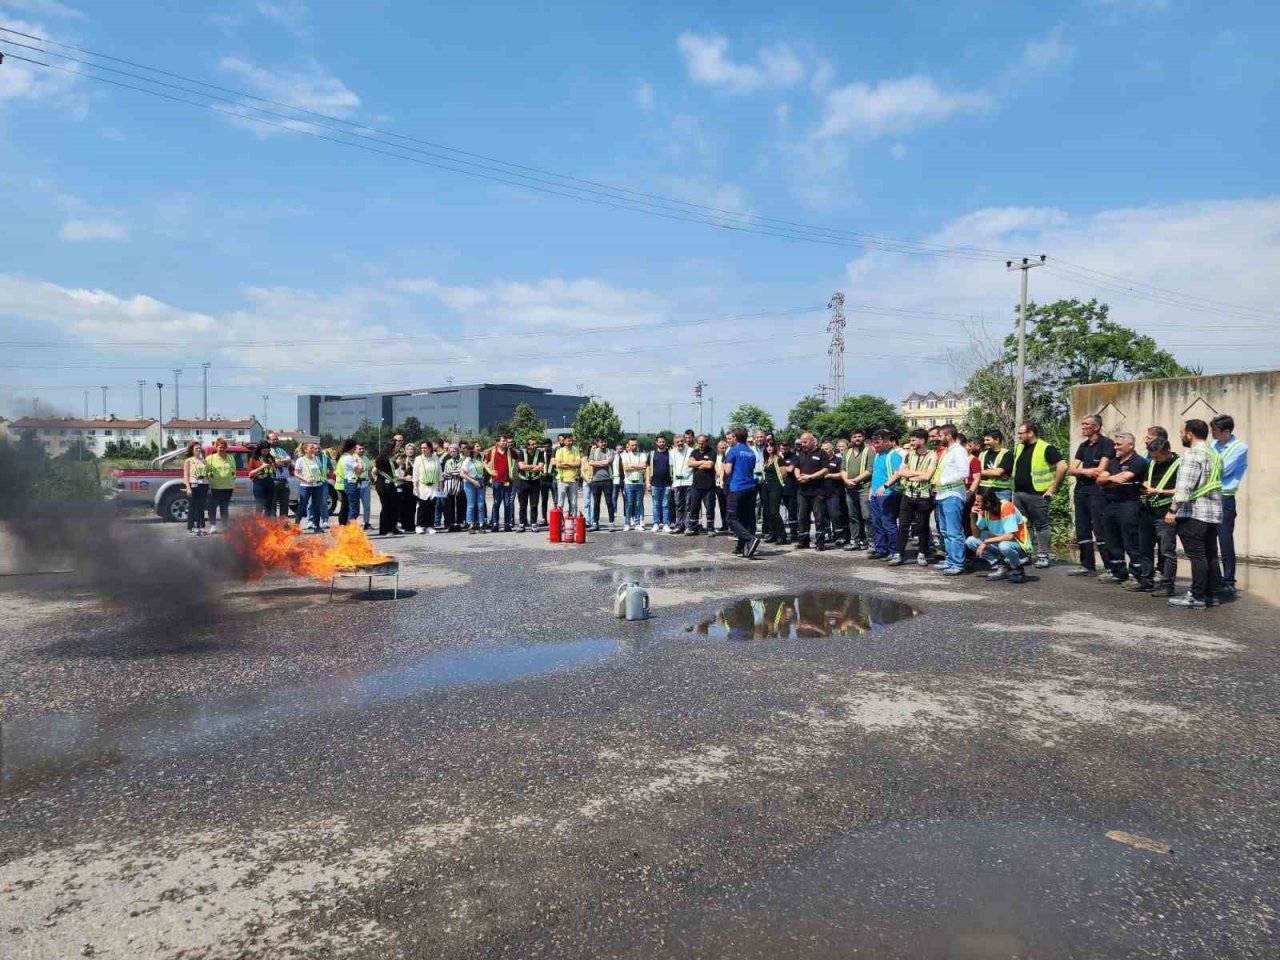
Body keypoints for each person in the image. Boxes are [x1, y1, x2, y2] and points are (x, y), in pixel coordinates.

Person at [1165, 420, 1224, 609]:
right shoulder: (1214, 454)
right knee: (1210, 555)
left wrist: (1172, 510)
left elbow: (1184, 487)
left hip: (1194, 513)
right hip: (1212, 512)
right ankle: (1211, 595)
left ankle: (1196, 597)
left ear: (1189, 434)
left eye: (1182, 432)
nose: (1181, 435)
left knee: (1197, 556)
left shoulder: (1192, 455)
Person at [1011, 421, 1067, 569]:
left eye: (1021, 433)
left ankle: (1043, 555)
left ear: (1031, 433)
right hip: (1019, 493)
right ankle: (1026, 553)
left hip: (1037, 494)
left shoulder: (1045, 448)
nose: (1019, 436)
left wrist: (1052, 488)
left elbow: (1063, 466)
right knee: (1023, 524)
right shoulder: (1019, 448)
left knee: (1041, 525)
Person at [1096, 432, 1148, 586]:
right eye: (1115, 444)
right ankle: (1118, 572)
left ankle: (1137, 575)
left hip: (1129, 504)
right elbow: (1100, 479)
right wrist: (1111, 478)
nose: (1115, 447)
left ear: (1130, 445)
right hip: (1111, 504)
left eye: (1119, 444)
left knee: (1131, 540)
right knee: (1112, 539)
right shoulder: (1113, 462)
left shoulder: (1139, 462)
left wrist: (1109, 479)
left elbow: (1124, 478)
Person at [1067, 415, 1116, 577]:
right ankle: (1087, 565)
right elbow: (1071, 469)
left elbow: (1100, 470)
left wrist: (1082, 471)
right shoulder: (1084, 445)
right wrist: (1085, 471)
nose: (1083, 427)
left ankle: (1111, 567)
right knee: (1082, 529)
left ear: (1096, 427)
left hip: (1098, 493)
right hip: (1081, 492)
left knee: (1100, 529)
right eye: (1082, 423)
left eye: (1086, 424)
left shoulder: (1106, 444)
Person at [1210, 414, 1248, 596]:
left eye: (1215, 430)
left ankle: (1229, 579)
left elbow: (1222, 470)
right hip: (1208, 496)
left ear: (1226, 431)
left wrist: (1206, 466)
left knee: (1224, 540)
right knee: (1207, 539)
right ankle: (1214, 578)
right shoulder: (1212, 445)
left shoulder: (1239, 447)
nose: (1212, 434)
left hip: (1224, 497)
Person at [888, 429, 937, 566]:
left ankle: (922, 553)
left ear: (922, 440)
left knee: (922, 526)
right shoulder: (909, 455)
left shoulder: (932, 455)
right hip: (908, 495)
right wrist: (916, 473)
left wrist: (909, 474)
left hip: (924, 497)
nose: (911, 443)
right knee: (903, 525)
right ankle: (898, 554)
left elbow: (927, 477)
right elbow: (901, 471)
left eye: (913, 440)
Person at [1139, 437, 1180, 597]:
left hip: (1165, 511)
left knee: (1167, 550)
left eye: (1158, 457)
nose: (1155, 459)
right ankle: (1146, 580)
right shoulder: (1151, 462)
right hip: (1148, 510)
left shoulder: (1179, 464)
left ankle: (1168, 585)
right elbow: (1147, 480)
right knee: (1145, 548)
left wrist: (1159, 491)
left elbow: (1183, 489)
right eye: (1153, 457)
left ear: (1168, 452)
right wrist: (1146, 487)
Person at [966, 489, 1033, 584]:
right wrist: (972, 516)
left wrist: (986, 542)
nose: (975, 504)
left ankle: (1017, 569)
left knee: (1004, 546)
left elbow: (1010, 536)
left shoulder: (1006, 507)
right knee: (971, 541)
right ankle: (1001, 566)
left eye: (978, 501)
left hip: (1018, 545)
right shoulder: (985, 510)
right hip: (999, 542)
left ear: (988, 503)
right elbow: (976, 534)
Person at [931, 425, 972, 576]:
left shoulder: (959, 451)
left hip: (953, 495)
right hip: (942, 495)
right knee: (945, 531)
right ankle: (950, 560)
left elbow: (963, 473)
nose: (938, 438)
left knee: (954, 532)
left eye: (940, 435)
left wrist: (943, 481)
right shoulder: (948, 451)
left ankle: (957, 563)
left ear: (948, 435)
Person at [722, 427, 761, 558]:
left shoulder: (733, 451)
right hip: (750, 488)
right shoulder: (751, 452)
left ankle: (750, 538)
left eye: (731, 437)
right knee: (744, 519)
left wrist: (723, 463)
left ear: (736, 438)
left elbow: (727, 471)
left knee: (731, 519)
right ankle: (741, 547)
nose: (730, 440)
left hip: (737, 487)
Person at [867, 430, 903, 560]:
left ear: (887, 441)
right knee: (877, 522)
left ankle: (894, 551)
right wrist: (872, 489)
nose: (875, 445)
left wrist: (885, 486)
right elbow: (876, 475)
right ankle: (881, 549)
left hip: (888, 494)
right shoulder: (877, 455)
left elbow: (897, 473)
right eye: (874, 442)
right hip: (876, 495)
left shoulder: (894, 455)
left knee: (888, 523)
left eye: (878, 442)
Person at [792, 432, 828, 551]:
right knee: (802, 517)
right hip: (803, 491)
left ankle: (820, 542)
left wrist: (810, 477)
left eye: (805, 442)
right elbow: (796, 467)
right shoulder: (801, 453)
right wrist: (798, 476)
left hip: (817, 491)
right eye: (802, 442)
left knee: (819, 518)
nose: (803, 444)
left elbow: (825, 470)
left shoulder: (821, 453)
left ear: (812, 441)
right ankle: (803, 541)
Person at [842, 430, 873, 551]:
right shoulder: (847, 452)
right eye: (855, 437)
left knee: (867, 516)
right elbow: (843, 469)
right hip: (849, 488)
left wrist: (854, 480)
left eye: (859, 436)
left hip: (863, 488)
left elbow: (870, 470)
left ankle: (871, 542)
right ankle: (856, 541)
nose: (857, 439)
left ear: (864, 437)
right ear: (851, 439)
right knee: (853, 516)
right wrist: (846, 480)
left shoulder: (869, 450)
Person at [485, 435, 516, 532]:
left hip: (507, 481)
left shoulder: (510, 451)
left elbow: (518, 457)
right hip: (496, 481)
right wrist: (490, 471)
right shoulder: (492, 452)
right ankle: (495, 523)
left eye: (506, 441)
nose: (505, 442)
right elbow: (485, 462)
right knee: (496, 502)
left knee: (507, 503)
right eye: (503, 441)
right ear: (498, 442)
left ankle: (507, 524)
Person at [294, 441, 327, 534]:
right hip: (305, 486)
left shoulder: (316, 458)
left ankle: (317, 526)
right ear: (305, 450)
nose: (313, 449)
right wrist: (305, 479)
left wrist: (321, 477)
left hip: (317, 486)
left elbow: (320, 471)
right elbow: (296, 473)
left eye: (314, 448)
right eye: (311, 448)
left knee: (317, 506)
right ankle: (296, 526)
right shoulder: (300, 460)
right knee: (302, 506)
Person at [204, 436, 236, 532]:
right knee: (212, 507)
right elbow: (205, 472)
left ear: (226, 448)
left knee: (224, 508)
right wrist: (209, 479)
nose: (222, 449)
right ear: (216, 447)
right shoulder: (210, 458)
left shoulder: (231, 458)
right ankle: (213, 526)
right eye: (220, 447)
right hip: (214, 487)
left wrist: (232, 480)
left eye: (223, 447)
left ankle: (225, 526)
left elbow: (234, 470)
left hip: (227, 487)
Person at [971, 431, 1013, 503]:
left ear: (997, 440)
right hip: (982, 491)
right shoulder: (982, 454)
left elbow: (997, 473)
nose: (985, 443)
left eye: (988, 440)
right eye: (984, 440)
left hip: (1001, 492)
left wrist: (980, 472)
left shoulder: (1007, 454)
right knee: (983, 514)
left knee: (1002, 513)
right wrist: (990, 472)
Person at [687, 434, 717, 536]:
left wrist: (697, 463)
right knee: (694, 508)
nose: (700, 445)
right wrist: (702, 462)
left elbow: (710, 465)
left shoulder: (712, 452)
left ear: (707, 442)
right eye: (699, 443)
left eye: (702, 443)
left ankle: (710, 528)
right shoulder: (694, 452)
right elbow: (689, 463)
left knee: (710, 508)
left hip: (709, 486)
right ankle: (693, 528)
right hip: (696, 486)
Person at [760, 440, 788, 544]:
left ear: (775, 447)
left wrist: (778, 483)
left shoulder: (779, 459)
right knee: (768, 512)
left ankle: (782, 536)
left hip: (775, 486)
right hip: (765, 486)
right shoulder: (766, 459)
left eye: (771, 446)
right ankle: (773, 534)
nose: (769, 448)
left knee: (774, 511)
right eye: (767, 446)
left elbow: (784, 474)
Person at [515, 437, 545, 532]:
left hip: (535, 481)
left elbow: (540, 468)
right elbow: (521, 466)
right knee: (522, 504)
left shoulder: (539, 453)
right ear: (527, 446)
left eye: (535, 444)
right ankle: (522, 524)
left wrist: (528, 467)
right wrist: (533, 466)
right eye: (532, 444)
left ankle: (533, 523)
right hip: (523, 481)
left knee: (534, 504)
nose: (535, 446)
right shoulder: (522, 453)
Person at [587, 436, 616, 531]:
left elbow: (608, 461)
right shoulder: (593, 451)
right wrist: (602, 463)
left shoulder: (610, 451)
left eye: (605, 442)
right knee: (596, 503)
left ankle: (611, 523)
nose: (603, 444)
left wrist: (597, 463)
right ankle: (595, 523)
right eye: (601, 442)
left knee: (609, 502)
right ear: (597, 443)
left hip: (607, 480)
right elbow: (590, 462)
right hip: (596, 481)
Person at [646, 435, 673, 532]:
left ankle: (666, 524)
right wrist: (648, 482)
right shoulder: (652, 454)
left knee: (665, 505)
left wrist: (672, 482)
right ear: (656, 442)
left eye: (663, 441)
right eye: (660, 442)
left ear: (665, 442)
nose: (662, 443)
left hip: (667, 484)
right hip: (655, 484)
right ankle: (656, 524)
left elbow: (673, 468)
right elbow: (648, 468)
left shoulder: (670, 454)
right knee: (656, 505)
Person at [412, 441, 440, 534]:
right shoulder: (418, 459)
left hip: (433, 486)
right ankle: (420, 525)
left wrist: (441, 485)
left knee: (431, 506)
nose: (423, 450)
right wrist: (415, 486)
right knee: (422, 506)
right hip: (422, 486)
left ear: (430, 448)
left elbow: (440, 472)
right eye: (422, 448)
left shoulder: (436, 458)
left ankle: (429, 526)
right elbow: (415, 473)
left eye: (425, 448)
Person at [182, 440, 208, 536]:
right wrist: (188, 487)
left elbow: (206, 474)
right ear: (192, 450)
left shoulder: (204, 460)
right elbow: (186, 475)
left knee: (201, 507)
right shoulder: (188, 461)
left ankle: (201, 526)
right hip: (193, 484)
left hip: (204, 484)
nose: (199, 450)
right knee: (193, 507)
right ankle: (191, 527)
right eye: (196, 448)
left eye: (200, 448)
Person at [552, 434, 581, 519]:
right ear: (564, 441)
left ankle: (573, 520)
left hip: (573, 479)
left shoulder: (576, 450)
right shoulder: (559, 451)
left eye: (572, 440)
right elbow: (558, 465)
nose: (571, 442)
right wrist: (572, 465)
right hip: (562, 480)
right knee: (560, 502)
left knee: (574, 502)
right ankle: (560, 520)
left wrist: (566, 463)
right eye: (569, 441)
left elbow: (578, 464)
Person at [621, 438, 647, 530]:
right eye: (632, 445)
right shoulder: (625, 455)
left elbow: (644, 466)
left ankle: (637, 523)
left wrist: (632, 466)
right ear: (629, 445)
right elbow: (626, 468)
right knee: (629, 504)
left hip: (639, 483)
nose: (634, 446)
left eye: (636, 445)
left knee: (638, 504)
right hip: (629, 483)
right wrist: (638, 467)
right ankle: (627, 523)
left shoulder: (642, 455)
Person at [265, 432, 293, 519]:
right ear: (268, 440)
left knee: (284, 504)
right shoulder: (266, 451)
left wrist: (280, 462)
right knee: (272, 505)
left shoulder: (281, 450)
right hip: (273, 481)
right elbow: (273, 464)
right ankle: (273, 526)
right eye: (274, 439)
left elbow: (289, 460)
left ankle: (283, 525)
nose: (276, 441)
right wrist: (282, 462)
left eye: (277, 439)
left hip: (284, 481)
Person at [373, 446, 400, 536]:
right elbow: (375, 470)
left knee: (394, 506)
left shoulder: (390, 460)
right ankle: (384, 530)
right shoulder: (382, 459)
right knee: (386, 507)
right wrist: (375, 479)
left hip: (391, 484)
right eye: (393, 450)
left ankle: (392, 527)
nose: (394, 452)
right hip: (383, 484)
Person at [670, 434, 694, 534]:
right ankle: (679, 525)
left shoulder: (691, 451)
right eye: (677, 442)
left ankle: (688, 526)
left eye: (681, 441)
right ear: (674, 443)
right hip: (677, 483)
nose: (680, 443)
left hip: (688, 481)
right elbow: (671, 467)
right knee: (678, 505)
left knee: (688, 505)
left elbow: (692, 465)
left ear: (684, 441)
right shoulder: (671, 452)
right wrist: (672, 481)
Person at [460, 443, 486, 533]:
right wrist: (473, 481)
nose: (479, 447)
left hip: (480, 481)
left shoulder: (480, 458)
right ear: (472, 449)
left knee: (481, 504)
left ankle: (481, 524)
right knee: (471, 505)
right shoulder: (467, 460)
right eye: (477, 446)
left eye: (479, 446)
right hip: (470, 483)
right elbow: (462, 474)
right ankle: (471, 525)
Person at [247, 440, 277, 516]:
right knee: (259, 506)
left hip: (270, 483)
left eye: (268, 451)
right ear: (260, 449)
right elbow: (250, 474)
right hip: (259, 484)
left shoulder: (271, 458)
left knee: (269, 506)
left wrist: (274, 467)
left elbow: (274, 471)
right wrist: (262, 467)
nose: (266, 452)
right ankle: (258, 525)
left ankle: (266, 524)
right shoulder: (254, 459)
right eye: (264, 451)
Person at [439, 443, 464, 531]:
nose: (453, 453)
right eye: (451, 451)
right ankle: (450, 523)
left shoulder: (462, 461)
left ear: (458, 451)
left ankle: (459, 523)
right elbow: (445, 474)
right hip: (448, 486)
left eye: (454, 451)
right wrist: (452, 473)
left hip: (458, 485)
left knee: (459, 505)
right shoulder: (448, 461)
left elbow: (460, 472)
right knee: (449, 505)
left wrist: (451, 473)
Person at [778, 439, 798, 542]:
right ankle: (779, 533)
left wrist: (780, 465)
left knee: (792, 511)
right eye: (782, 448)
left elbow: (790, 469)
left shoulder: (793, 456)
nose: (784, 450)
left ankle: (794, 533)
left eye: (786, 448)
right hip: (778, 488)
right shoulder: (776, 457)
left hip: (790, 488)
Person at [334, 439, 356, 527]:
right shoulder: (348, 457)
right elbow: (359, 469)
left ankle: (342, 525)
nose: (355, 449)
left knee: (344, 506)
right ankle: (344, 525)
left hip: (340, 484)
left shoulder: (342, 457)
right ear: (351, 448)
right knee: (347, 507)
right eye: (355, 447)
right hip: (345, 484)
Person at [395, 443, 417, 534]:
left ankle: (411, 525)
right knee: (404, 506)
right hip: (404, 486)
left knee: (412, 506)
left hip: (414, 485)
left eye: (412, 449)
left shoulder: (417, 460)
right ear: (406, 450)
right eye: (408, 449)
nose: (410, 451)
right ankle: (404, 524)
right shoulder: (403, 460)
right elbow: (397, 473)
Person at [714, 439, 730, 533]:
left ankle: (730, 524)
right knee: (722, 505)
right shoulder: (716, 457)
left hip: (727, 483)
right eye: (721, 448)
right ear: (718, 448)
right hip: (718, 483)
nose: (723, 449)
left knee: (729, 505)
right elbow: (717, 470)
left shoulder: (729, 456)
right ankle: (724, 524)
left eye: (725, 447)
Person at [538, 438, 556, 523]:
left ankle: (557, 517)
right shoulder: (541, 453)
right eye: (544, 446)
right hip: (543, 479)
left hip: (552, 478)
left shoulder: (555, 452)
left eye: (547, 446)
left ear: (551, 445)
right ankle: (544, 518)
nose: (546, 448)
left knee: (555, 499)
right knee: (544, 500)